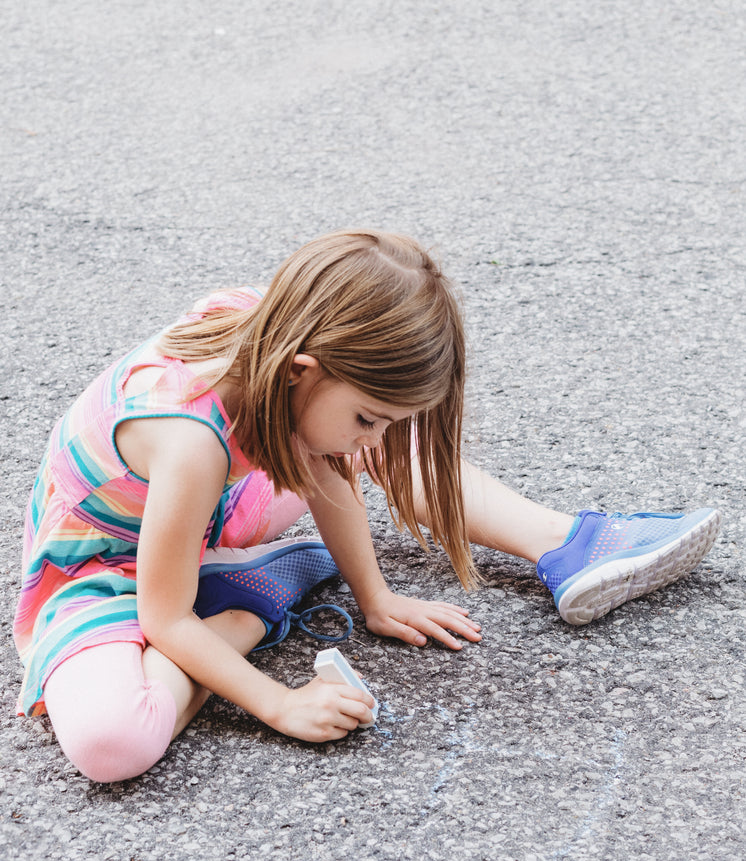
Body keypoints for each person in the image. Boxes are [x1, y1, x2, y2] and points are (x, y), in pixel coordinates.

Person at [13, 230, 721, 783]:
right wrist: (277, 701)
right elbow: (161, 615)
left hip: (210, 517)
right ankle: (240, 614)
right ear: (301, 370)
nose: (376, 442)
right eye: (372, 417)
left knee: (334, 436)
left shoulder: (286, 335)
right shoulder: (189, 440)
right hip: (105, 567)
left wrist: (374, 595)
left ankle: (571, 544)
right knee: (112, 744)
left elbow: (326, 458)